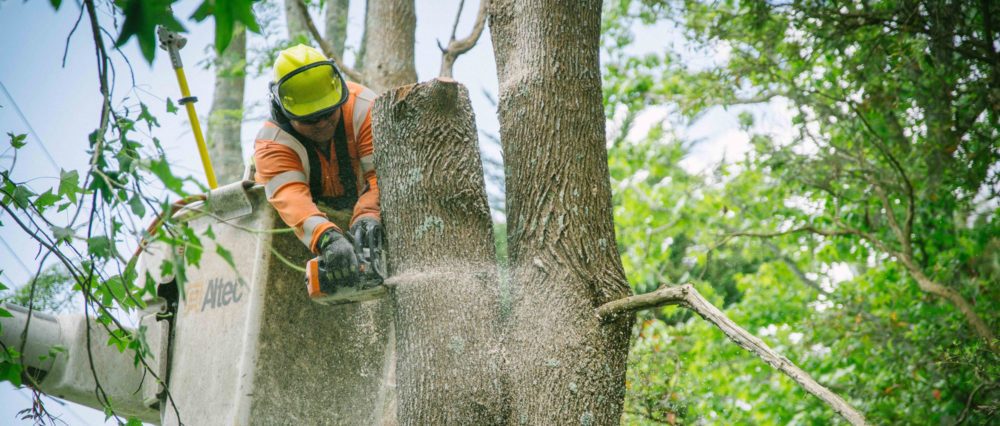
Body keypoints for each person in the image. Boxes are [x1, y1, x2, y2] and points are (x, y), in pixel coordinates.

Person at [253, 44, 382, 284]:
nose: (322, 123)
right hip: (288, 238)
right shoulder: (272, 143)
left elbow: (382, 178)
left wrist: (368, 216)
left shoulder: (365, 109)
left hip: (360, 207)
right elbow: (290, 197)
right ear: (285, 112)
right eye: (310, 119)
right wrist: (327, 238)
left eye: (328, 113)